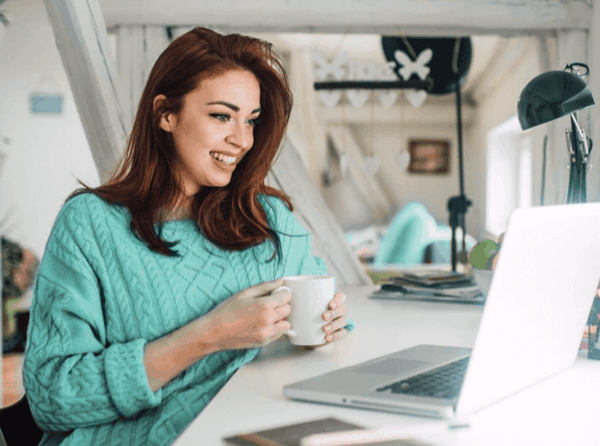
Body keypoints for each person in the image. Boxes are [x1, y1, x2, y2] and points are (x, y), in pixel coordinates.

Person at [23, 27, 353, 446]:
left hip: (255, 431)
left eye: (251, 120)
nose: (242, 139)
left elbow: (322, 323)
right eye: (221, 116)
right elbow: (52, 397)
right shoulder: (90, 224)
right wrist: (209, 334)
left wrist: (327, 326)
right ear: (166, 114)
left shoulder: (268, 217)